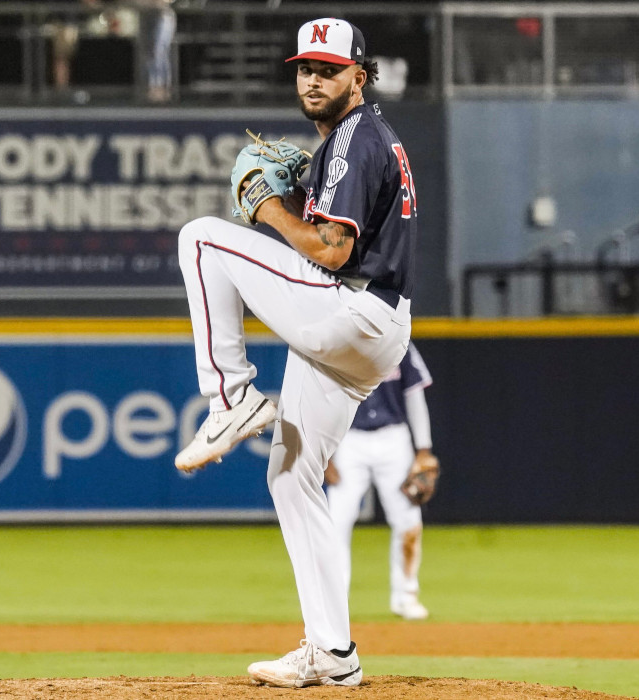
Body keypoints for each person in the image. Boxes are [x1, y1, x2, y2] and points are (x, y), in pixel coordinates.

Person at [176, 17, 418, 688]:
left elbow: (332, 251)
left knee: (201, 237)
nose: (313, 79)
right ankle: (333, 653)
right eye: (305, 68)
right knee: (290, 474)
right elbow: (329, 242)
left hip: (353, 309)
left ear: (358, 77)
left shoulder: (355, 139)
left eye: (328, 70)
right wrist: (294, 199)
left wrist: (268, 207)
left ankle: (230, 399)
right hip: (373, 330)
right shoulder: (356, 141)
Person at [325, 341, 439, 620]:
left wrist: (423, 449)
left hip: (394, 439)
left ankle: (406, 596)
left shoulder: (400, 342)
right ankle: (333, 604)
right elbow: (322, 400)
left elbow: (414, 394)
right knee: (335, 523)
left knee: (408, 521)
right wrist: (324, 455)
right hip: (348, 440)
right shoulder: (338, 341)